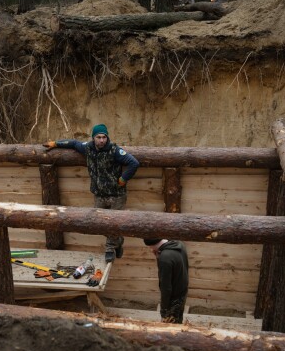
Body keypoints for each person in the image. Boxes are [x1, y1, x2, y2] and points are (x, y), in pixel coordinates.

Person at [43, 124, 139, 263]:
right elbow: (74, 143)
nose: (101, 140)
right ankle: (118, 241)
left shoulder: (115, 150)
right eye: (98, 137)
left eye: (104, 137)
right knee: (98, 224)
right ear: (93, 138)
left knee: (113, 223)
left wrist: (123, 179)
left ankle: (109, 248)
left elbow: (133, 163)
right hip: (99, 194)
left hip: (116, 195)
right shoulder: (87, 148)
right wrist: (56, 143)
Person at [143, 238, 189, 324]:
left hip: (173, 299)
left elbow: (165, 287)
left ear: (151, 246)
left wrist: (164, 309)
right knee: (178, 322)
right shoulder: (179, 244)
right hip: (182, 291)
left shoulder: (165, 257)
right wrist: (158, 257)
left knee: (171, 329)